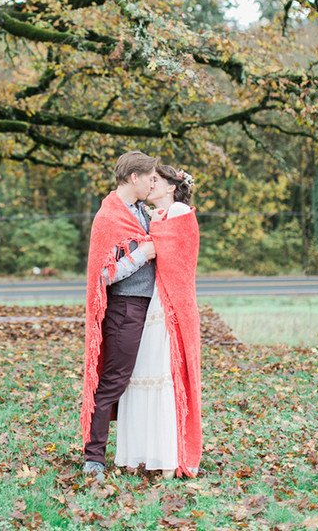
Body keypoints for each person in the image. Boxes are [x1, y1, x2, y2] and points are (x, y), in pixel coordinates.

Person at [115, 164, 202, 478]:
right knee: (143, 375)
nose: (150, 185)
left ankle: (165, 455)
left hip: (169, 303)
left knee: (161, 375)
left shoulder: (178, 212)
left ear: (170, 187)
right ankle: (142, 453)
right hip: (154, 301)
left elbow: (176, 256)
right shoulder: (155, 217)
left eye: (156, 181)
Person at [81, 150, 158, 482]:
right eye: (150, 177)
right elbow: (105, 274)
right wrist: (143, 254)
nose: (154, 183)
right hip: (125, 307)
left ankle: (138, 449)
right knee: (114, 380)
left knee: (143, 382)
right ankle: (93, 457)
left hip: (149, 306)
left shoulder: (142, 211)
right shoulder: (109, 217)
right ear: (134, 178)